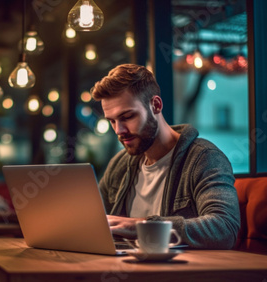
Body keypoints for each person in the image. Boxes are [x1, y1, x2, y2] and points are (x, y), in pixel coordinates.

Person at [91, 63, 240, 249]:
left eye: (127, 117)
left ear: (156, 105)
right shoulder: (119, 164)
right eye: (112, 121)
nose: (119, 130)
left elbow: (224, 229)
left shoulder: (204, 158)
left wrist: (141, 226)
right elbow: (93, 222)